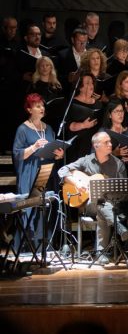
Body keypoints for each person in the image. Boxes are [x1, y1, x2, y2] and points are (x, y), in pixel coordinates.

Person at [57, 131, 128, 263]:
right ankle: (118, 227)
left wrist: (112, 193)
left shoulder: (118, 164)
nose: (110, 144)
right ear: (96, 146)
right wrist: (77, 183)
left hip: (110, 205)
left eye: (110, 141)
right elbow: (62, 170)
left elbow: (123, 192)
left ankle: (100, 253)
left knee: (102, 206)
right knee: (98, 200)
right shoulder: (86, 160)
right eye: (106, 142)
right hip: (88, 205)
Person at [12, 94, 64, 250]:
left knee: (46, 209)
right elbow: (17, 154)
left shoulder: (48, 128)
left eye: (42, 105)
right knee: (30, 210)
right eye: (37, 106)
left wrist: (58, 155)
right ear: (29, 110)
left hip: (46, 172)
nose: (42, 108)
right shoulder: (23, 129)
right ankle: (27, 247)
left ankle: (44, 248)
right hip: (30, 173)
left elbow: (52, 150)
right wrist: (34, 147)